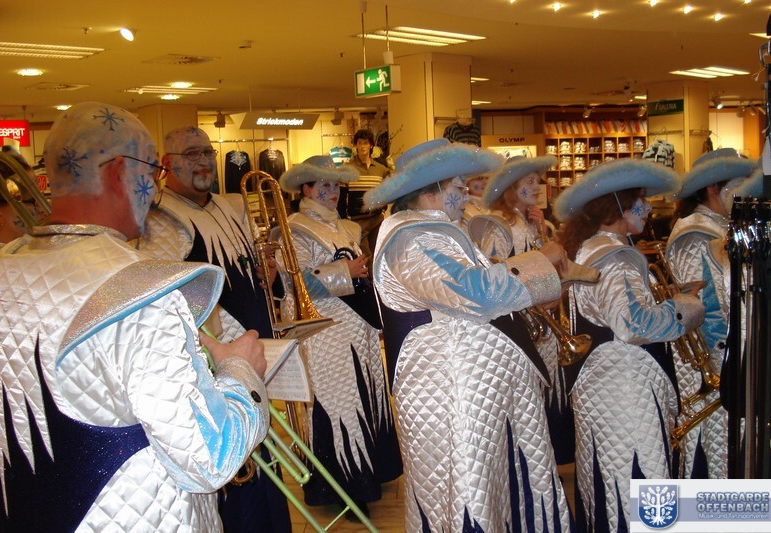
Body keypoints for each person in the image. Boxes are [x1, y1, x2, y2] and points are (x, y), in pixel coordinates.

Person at [0, 102, 270, 531]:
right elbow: (209, 458)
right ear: (119, 172)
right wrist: (240, 371)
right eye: (151, 171)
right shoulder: (141, 288)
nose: (154, 187)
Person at [365, 138, 573, 532]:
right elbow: (476, 293)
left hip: (473, 389)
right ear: (430, 190)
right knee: (468, 495)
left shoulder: (437, 232)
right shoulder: (412, 238)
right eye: (458, 187)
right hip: (452, 393)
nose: (466, 196)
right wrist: (538, 262)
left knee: (493, 493)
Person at [138, 125, 292, 532]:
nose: (204, 161)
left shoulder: (227, 206)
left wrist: (269, 273)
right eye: (192, 154)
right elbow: (171, 306)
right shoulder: (161, 221)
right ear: (167, 165)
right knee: (238, 483)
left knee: (262, 464)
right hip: (218, 367)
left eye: (208, 152)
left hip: (252, 357)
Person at [555, 158, 705, 532]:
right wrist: (683, 309)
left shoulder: (592, 248)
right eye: (641, 199)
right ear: (619, 206)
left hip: (607, 387)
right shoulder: (615, 258)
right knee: (638, 480)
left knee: (611, 483)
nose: (649, 207)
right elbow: (632, 323)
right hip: (626, 391)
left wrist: (666, 296)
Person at [277, 155, 401, 514]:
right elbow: (296, 281)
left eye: (335, 185)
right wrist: (346, 270)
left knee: (364, 397)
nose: (332, 192)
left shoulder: (346, 227)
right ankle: (345, 487)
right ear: (306, 189)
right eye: (323, 185)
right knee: (339, 403)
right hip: (325, 331)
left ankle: (369, 473)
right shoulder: (293, 228)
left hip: (356, 327)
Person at [665, 148, 758, 479]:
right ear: (711, 189)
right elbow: (702, 308)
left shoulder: (721, 227)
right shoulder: (695, 234)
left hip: (728, 358)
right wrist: (728, 359)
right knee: (715, 453)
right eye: (737, 185)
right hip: (714, 362)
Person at [479, 154, 576, 465]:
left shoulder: (534, 224)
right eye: (529, 182)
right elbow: (496, 274)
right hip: (521, 323)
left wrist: (542, 231)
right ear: (511, 188)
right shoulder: (499, 227)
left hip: (542, 322)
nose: (537, 187)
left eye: (538, 181)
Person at [340, 129, 389, 269]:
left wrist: (383, 208)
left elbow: (386, 192)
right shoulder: (347, 169)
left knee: (378, 252)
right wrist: (343, 218)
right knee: (364, 255)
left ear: (371, 145)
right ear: (355, 145)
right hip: (358, 220)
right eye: (359, 143)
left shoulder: (381, 169)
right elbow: (342, 196)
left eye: (365, 143)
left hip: (377, 218)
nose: (362, 146)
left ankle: (376, 280)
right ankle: (368, 280)